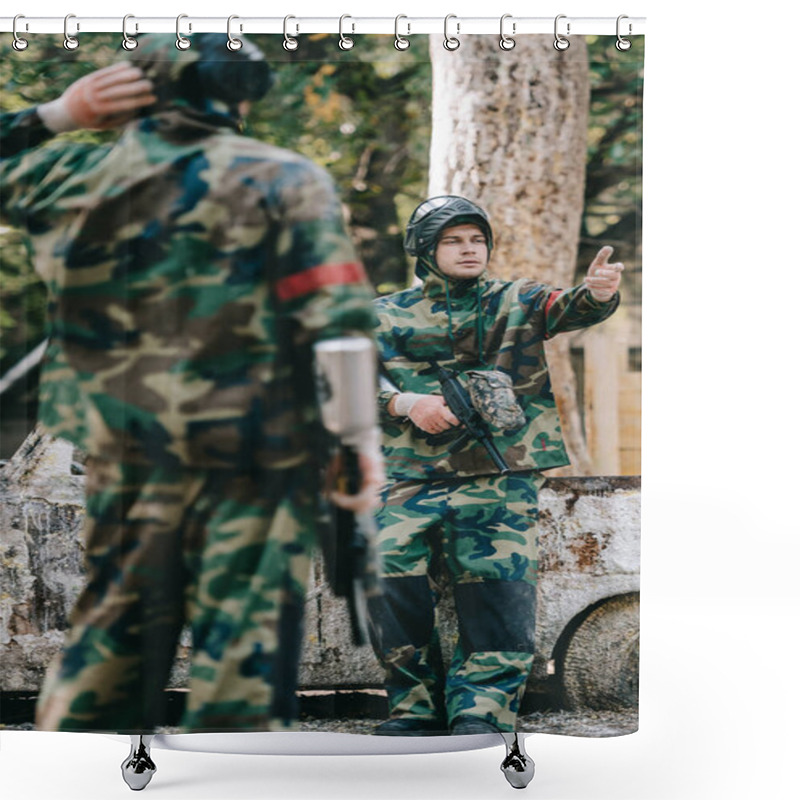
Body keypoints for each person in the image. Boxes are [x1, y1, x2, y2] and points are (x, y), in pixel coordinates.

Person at [0, 34, 382, 733]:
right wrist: (358, 444)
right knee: (243, 652)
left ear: (132, 93)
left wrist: (56, 113)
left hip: (123, 455)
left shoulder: (66, 178)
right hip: (259, 457)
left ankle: (72, 770)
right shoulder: (283, 177)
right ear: (237, 97)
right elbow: (338, 325)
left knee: (113, 632)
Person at [367, 195, 623, 736]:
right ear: (424, 249)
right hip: (408, 477)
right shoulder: (381, 314)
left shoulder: (517, 300)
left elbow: (568, 307)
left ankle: (481, 713)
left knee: (497, 592)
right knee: (388, 578)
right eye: (454, 240)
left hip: (499, 476)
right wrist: (406, 404)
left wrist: (598, 294)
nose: (469, 250)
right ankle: (413, 708)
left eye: (477, 239)